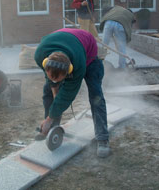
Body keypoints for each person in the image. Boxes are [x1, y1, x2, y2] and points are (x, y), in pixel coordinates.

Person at [34, 28, 111, 158]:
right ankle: (51, 128)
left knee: (95, 95)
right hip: (65, 40)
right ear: (45, 64)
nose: (55, 81)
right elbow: (51, 79)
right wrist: (54, 87)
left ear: (69, 72)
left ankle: (102, 138)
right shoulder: (40, 54)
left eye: (61, 78)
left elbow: (67, 95)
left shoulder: (78, 66)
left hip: (87, 52)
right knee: (48, 91)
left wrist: (51, 114)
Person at [100, 5, 136, 70]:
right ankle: (122, 67)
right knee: (122, 48)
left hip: (108, 22)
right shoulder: (131, 16)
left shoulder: (117, 8)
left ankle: (99, 63)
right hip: (120, 25)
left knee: (104, 45)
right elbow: (128, 29)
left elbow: (107, 10)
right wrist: (125, 41)